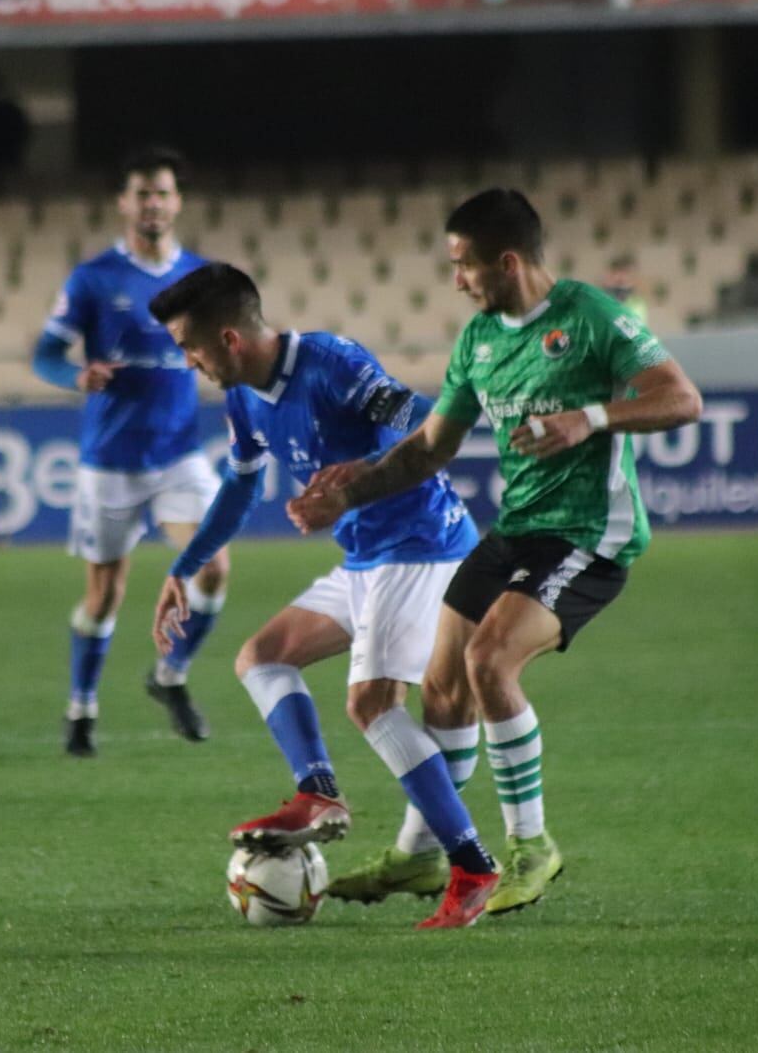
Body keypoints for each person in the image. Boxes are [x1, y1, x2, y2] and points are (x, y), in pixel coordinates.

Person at [289, 189, 702, 916]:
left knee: (489, 663)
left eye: (464, 265)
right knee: (441, 684)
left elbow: (681, 399)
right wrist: (346, 494)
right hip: (512, 529)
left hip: (586, 536)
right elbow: (428, 449)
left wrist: (592, 418)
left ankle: (531, 848)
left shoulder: (592, 317)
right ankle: (421, 855)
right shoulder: (479, 339)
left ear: (506, 262)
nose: (457, 281)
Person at [147, 263, 501, 930]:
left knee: (371, 704)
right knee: (261, 657)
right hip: (367, 557)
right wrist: (186, 564)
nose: (188, 361)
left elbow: (427, 420)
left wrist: (365, 470)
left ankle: (474, 865)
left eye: (189, 347)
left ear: (228, 338)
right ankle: (318, 793)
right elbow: (242, 485)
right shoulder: (245, 397)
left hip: (421, 546)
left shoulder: (331, 362)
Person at [31, 146, 227, 758]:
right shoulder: (93, 279)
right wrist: (75, 377)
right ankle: (81, 707)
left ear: (178, 203)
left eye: (163, 193)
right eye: (142, 194)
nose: (153, 204)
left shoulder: (201, 278)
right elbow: (44, 354)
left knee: (213, 569)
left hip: (178, 456)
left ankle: (170, 675)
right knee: (105, 595)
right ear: (124, 203)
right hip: (110, 462)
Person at [601, 253, 649, 323]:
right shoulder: (600, 300)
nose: (621, 277)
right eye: (615, 273)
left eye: (626, 273)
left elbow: (639, 328)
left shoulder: (638, 304)